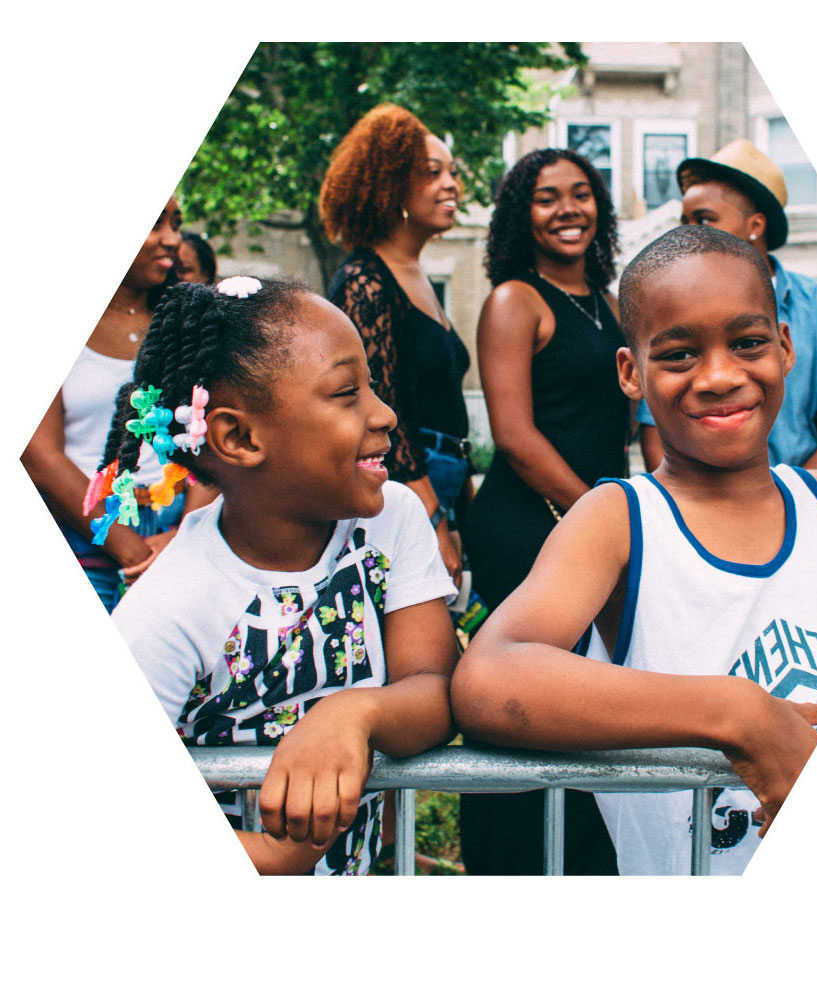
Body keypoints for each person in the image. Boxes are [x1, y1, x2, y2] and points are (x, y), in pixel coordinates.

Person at [452, 226, 817, 875]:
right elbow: (489, 677)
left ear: (785, 348)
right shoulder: (620, 521)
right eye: (678, 355)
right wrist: (736, 715)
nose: (720, 376)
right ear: (630, 373)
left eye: (748, 343)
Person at [110, 277, 458, 876]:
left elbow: (435, 688)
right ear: (239, 437)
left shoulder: (391, 519)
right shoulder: (167, 610)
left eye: (370, 384)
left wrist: (353, 713)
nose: (385, 413)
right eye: (347, 392)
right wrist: (269, 860)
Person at [458, 147, 630, 876]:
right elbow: (516, 437)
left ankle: (590, 860)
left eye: (582, 194)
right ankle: (512, 861)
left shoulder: (612, 302)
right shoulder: (513, 301)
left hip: (595, 519)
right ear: (519, 216)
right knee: (527, 699)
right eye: (547, 197)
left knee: (594, 693)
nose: (568, 209)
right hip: (529, 523)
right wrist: (598, 514)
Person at [22, 195, 217, 612]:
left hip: (186, 526)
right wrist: (134, 552)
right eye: (155, 223)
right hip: (87, 533)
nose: (172, 240)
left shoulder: (188, 323)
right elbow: (39, 457)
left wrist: (183, 538)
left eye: (176, 223)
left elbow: (210, 435)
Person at [637, 139, 817, 473]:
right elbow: (655, 436)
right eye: (685, 220)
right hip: (693, 512)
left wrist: (779, 514)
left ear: (755, 226)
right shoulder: (667, 309)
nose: (689, 233)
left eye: (705, 220)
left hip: (803, 508)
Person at [321, 103, 469, 589]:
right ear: (390, 186)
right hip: (404, 489)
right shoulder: (365, 281)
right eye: (432, 173)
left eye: (452, 172)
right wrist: (433, 520)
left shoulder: (419, 275)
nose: (452, 185)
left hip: (443, 480)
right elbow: (381, 409)